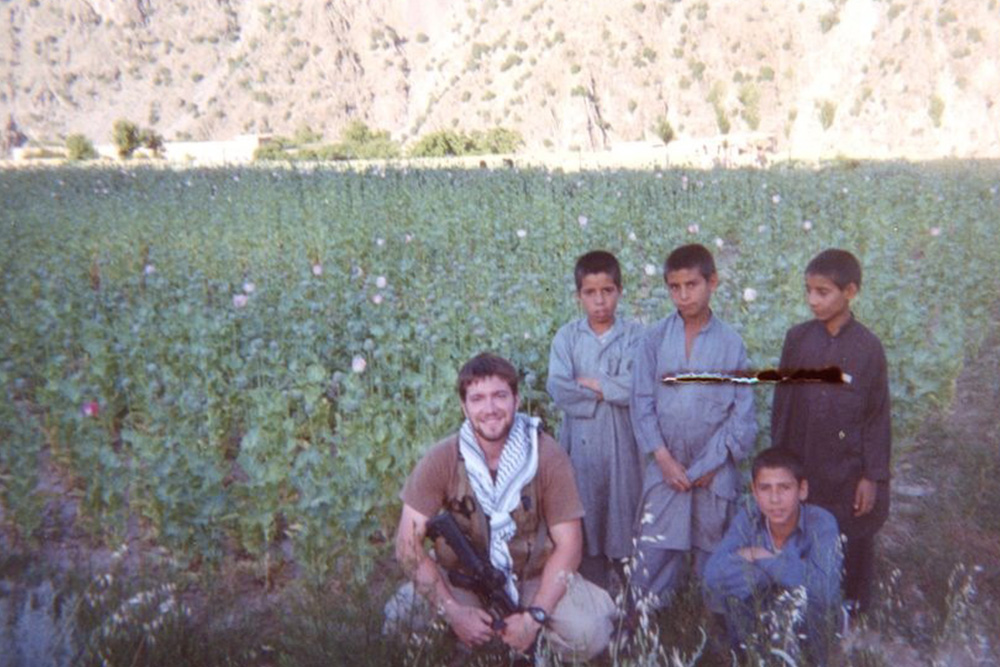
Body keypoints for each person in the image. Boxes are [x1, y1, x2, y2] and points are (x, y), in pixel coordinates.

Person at [390, 353, 615, 661]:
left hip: (535, 574)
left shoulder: (546, 455)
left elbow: (570, 546)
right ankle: (461, 644)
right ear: (464, 406)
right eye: (478, 398)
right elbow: (407, 545)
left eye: (500, 396)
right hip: (461, 577)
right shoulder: (442, 458)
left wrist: (534, 617)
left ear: (516, 400)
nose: (490, 408)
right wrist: (452, 611)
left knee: (589, 632)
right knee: (401, 618)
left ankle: (533, 644)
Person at [630, 243, 757, 609]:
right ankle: (647, 621)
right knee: (655, 552)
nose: (683, 295)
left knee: (712, 553)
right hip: (665, 466)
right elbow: (641, 402)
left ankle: (711, 625)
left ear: (712, 282)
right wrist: (663, 458)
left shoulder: (731, 344)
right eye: (674, 287)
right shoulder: (653, 339)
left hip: (713, 470)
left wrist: (711, 464)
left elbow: (742, 413)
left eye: (692, 285)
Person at [771, 248, 891, 615]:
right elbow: (784, 404)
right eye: (808, 291)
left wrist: (872, 476)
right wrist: (780, 464)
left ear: (850, 291)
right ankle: (800, 606)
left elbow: (876, 416)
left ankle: (850, 615)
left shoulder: (868, 348)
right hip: (804, 461)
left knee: (851, 538)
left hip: (848, 470)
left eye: (822, 292)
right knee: (801, 534)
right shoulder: (798, 340)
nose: (813, 301)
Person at [546, 250, 644, 590]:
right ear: (579, 296)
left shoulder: (636, 337)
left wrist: (595, 384)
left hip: (623, 442)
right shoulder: (567, 337)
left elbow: (640, 385)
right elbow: (559, 388)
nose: (600, 301)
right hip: (581, 443)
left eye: (607, 291)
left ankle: (630, 594)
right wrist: (612, 389)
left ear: (619, 291)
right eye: (590, 292)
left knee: (623, 508)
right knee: (585, 508)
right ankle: (592, 588)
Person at [704, 448, 843, 664]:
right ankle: (748, 658)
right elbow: (713, 574)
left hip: (807, 622)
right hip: (761, 615)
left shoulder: (821, 523)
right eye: (765, 488)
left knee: (815, 604)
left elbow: (823, 590)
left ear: (802, 489)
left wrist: (761, 558)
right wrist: (783, 574)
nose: (775, 499)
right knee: (737, 596)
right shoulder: (749, 517)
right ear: (755, 491)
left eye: (784, 488)